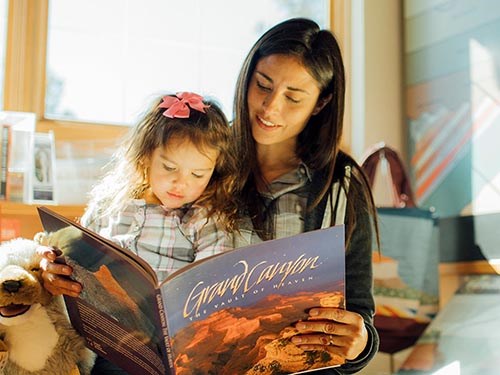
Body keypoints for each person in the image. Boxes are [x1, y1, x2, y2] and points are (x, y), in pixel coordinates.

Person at [38, 91, 240, 374]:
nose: (180, 183)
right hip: (109, 340)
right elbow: (75, 253)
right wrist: (54, 255)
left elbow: (212, 281)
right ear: (146, 157)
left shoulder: (204, 218)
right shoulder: (111, 204)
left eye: (198, 175)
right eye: (169, 167)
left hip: (173, 344)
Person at [231, 17, 380, 373]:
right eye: (262, 85)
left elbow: (358, 309)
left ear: (320, 104)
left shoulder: (340, 183)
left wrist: (359, 344)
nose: (270, 108)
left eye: (293, 97)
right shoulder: (202, 162)